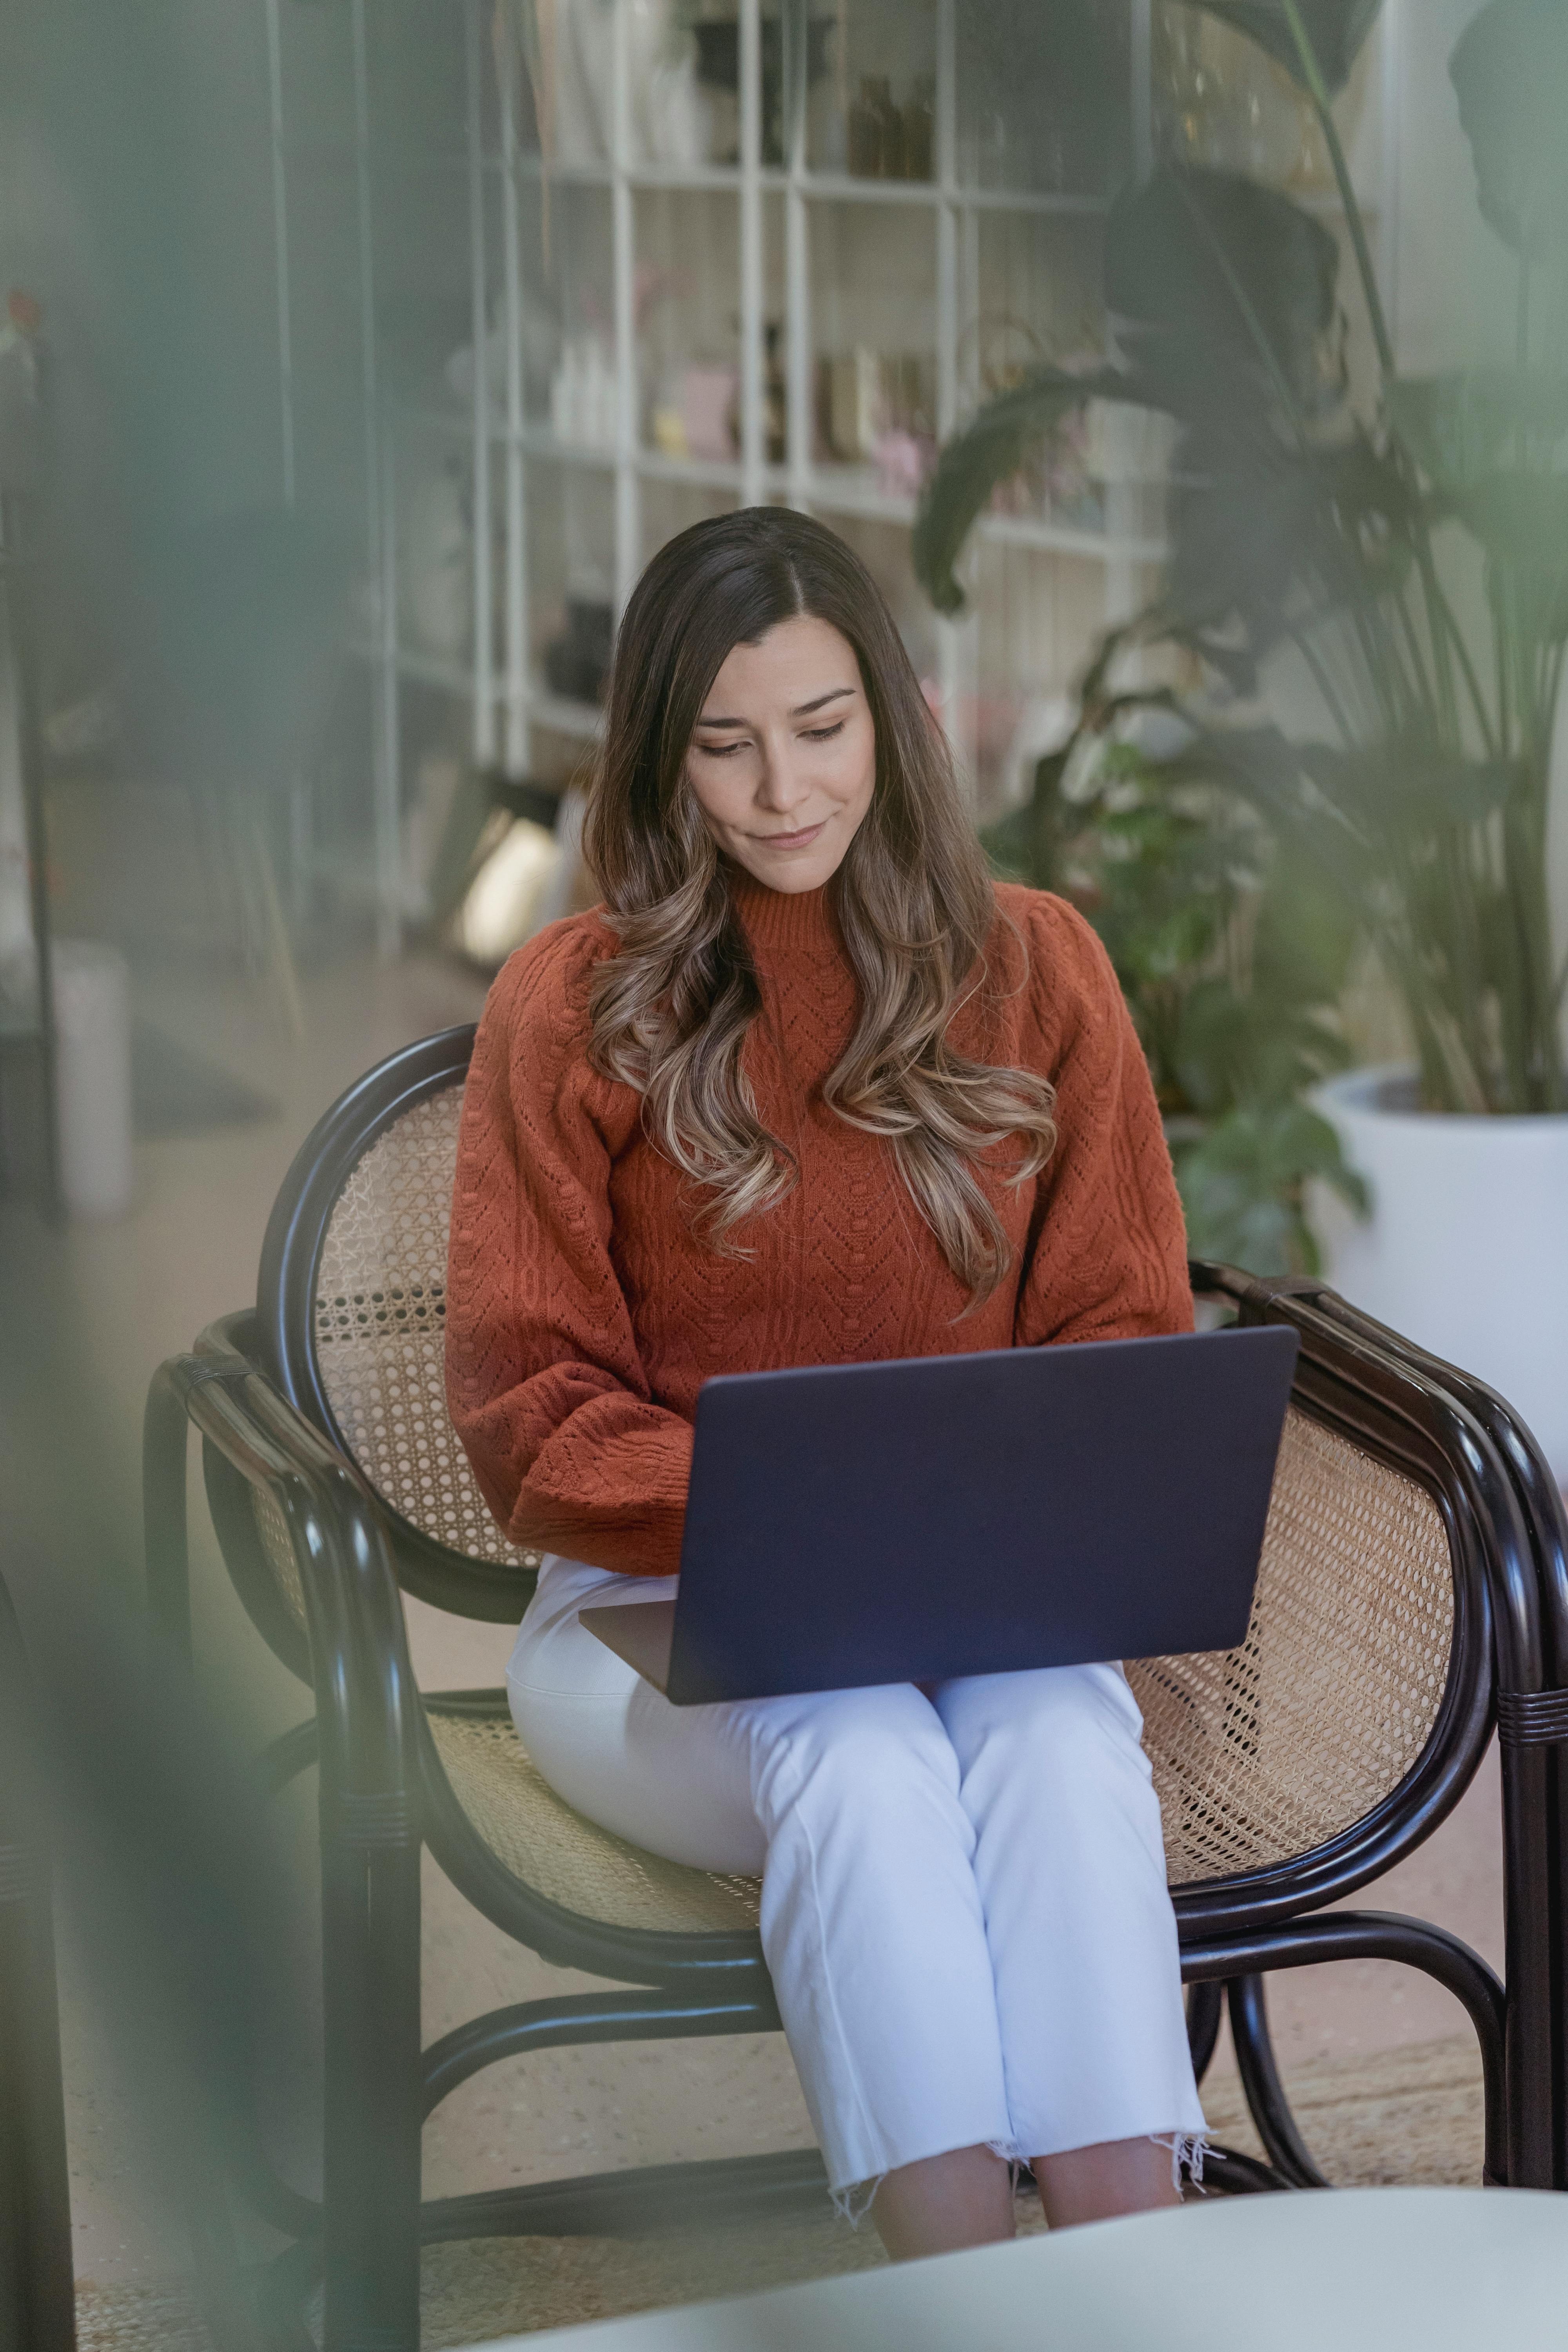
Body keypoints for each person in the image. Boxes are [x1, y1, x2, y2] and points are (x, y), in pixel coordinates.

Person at [445, 509, 1206, 2260]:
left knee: (1055, 1726)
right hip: (652, 1612)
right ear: (656, 759)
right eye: (722, 746)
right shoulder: (572, 1010)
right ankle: (949, 2288)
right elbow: (525, 1406)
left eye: (821, 728)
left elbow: (1120, 1338)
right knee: (861, 1745)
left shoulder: (1036, 972)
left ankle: (1129, 2269)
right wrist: (808, 1529)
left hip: (985, 1606)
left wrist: (954, 1551)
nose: (781, 789)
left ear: (897, 720)